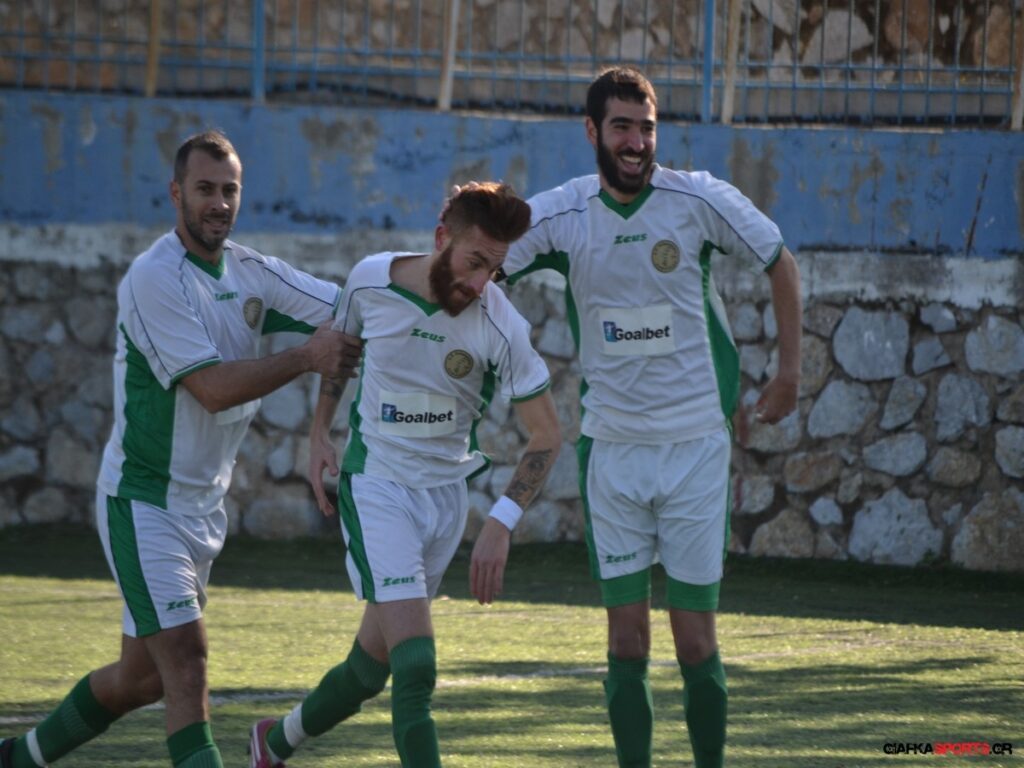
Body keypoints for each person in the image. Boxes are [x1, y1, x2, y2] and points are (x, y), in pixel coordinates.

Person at [0, 130, 361, 768]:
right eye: (204, 190)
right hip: (145, 504)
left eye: (229, 190)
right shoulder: (153, 279)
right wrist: (308, 357)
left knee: (139, 679)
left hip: (203, 510)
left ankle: (18, 758)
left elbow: (351, 316)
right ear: (176, 195)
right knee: (187, 669)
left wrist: (431, 290)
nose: (218, 203)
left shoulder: (254, 273)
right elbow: (212, 389)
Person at [499, 67, 803, 768]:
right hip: (613, 454)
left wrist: (789, 372)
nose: (636, 143)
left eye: (647, 127)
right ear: (592, 132)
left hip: (696, 445)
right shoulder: (565, 213)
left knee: (695, 641)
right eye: (622, 128)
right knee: (626, 641)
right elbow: (487, 261)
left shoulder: (695, 200)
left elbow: (779, 261)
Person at [247, 181, 562, 768]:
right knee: (416, 667)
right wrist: (320, 432)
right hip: (377, 487)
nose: (479, 283)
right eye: (473, 262)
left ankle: (275, 742)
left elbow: (547, 434)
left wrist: (502, 521)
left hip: (445, 499)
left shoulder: (502, 326)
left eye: (494, 269)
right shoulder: (370, 279)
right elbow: (340, 353)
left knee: (371, 668)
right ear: (443, 238)